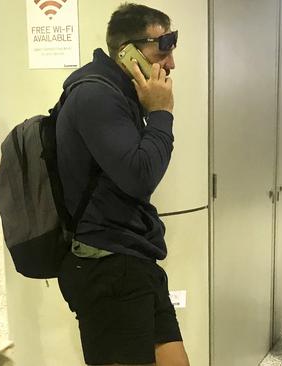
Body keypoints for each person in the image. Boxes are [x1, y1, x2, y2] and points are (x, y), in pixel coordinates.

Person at [56, 4, 189, 365]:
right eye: (163, 49)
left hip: (133, 257)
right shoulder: (95, 95)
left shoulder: (119, 94)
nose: (171, 63)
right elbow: (140, 176)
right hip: (107, 265)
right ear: (127, 52)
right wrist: (161, 112)